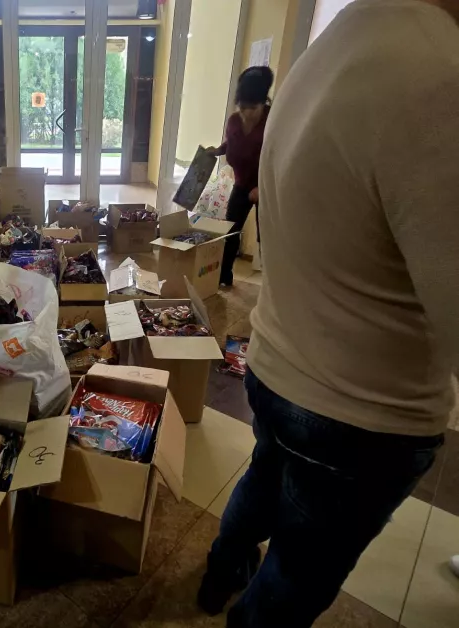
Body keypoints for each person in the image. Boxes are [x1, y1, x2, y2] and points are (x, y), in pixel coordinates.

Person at [197, 1, 456, 626]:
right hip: (358, 411)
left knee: (262, 482)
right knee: (298, 571)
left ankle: (218, 572)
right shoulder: (441, 75)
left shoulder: (332, 47)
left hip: (274, 362)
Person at [207, 66, 273, 287]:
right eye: (242, 107)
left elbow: (278, 157)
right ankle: (224, 276)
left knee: (266, 237)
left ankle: (271, 285)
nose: (246, 113)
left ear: (263, 102)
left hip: (266, 187)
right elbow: (232, 143)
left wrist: (262, 187)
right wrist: (218, 150)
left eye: (252, 108)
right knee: (230, 231)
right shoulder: (234, 121)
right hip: (242, 184)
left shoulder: (273, 121)